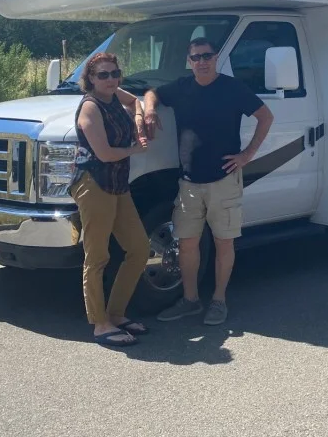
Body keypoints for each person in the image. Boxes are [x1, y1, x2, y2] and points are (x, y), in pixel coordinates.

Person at [142, 37, 273, 325]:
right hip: (188, 183)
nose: (202, 62)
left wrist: (247, 155)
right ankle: (190, 301)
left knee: (223, 243)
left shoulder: (232, 88)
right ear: (189, 62)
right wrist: (149, 109)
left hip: (223, 179)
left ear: (216, 58)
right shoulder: (181, 88)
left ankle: (219, 301)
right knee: (187, 244)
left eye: (207, 56)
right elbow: (153, 93)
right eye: (196, 57)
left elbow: (266, 116)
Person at [72, 52, 151, 347]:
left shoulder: (114, 94)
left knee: (139, 249)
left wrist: (140, 121)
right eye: (103, 75)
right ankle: (99, 323)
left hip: (118, 185)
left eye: (115, 73)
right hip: (94, 184)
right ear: (90, 79)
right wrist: (135, 149)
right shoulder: (90, 109)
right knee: (97, 256)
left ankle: (116, 313)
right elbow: (104, 154)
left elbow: (136, 102)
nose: (110, 79)